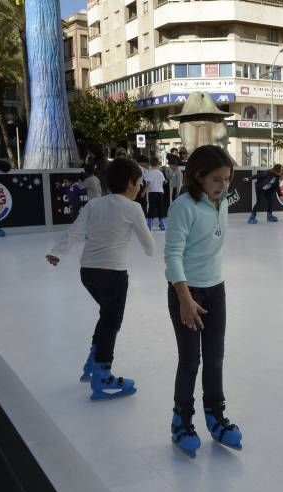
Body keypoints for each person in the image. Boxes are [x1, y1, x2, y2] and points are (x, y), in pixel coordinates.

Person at [46, 158, 156, 400]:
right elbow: (148, 243)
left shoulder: (94, 205)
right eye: (139, 182)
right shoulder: (133, 208)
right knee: (111, 322)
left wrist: (57, 252)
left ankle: (91, 363)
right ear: (130, 183)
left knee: (106, 317)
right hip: (113, 274)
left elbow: (74, 230)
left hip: (88, 272)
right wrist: (151, 250)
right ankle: (102, 374)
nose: (140, 187)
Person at [164, 145, 242, 458]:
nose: (224, 185)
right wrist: (184, 298)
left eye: (227, 179)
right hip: (186, 292)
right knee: (190, 359)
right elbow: (172, 255)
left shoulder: (220, 202)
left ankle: (216, 415)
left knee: (214, 358)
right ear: (198, 177)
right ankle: (181, 420)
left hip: (215, 289)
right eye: (217, 179)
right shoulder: (183, 206)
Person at [144, 156, 167, 231]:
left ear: (150, 164)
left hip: (152, 192)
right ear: (158, 164)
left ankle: (150, 224)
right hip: (160, 192)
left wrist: (144, 192)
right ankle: (162, 223)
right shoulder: (160, 173)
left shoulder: (149, 172)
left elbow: (148, 183)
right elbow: (164, 181)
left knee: (152, 207)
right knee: (161, 207)